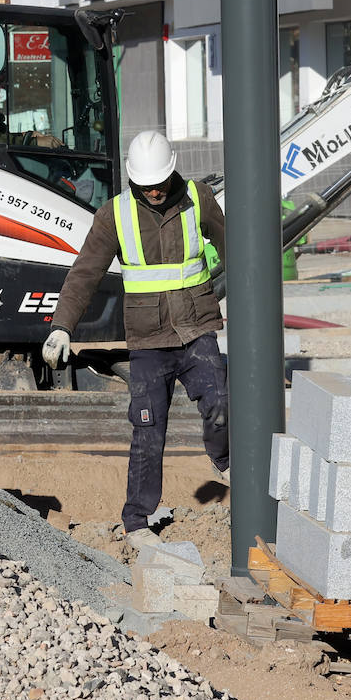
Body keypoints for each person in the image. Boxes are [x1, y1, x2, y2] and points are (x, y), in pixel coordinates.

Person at [43, 131, 229, 549]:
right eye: (146, 185)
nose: (155, 191)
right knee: (147, 428)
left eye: (160, 182)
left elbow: (233, 244)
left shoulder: (198, 198)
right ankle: (137, 521)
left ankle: (225, 461)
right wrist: (62, 326)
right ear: (134, 180)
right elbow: (85, 272)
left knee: (220, 397)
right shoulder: (116, 214)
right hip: (147, 340)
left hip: (195, 328)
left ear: (173, 169)